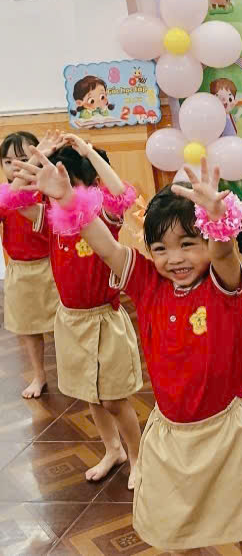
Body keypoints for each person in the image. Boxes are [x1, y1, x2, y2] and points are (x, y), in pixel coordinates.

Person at [15, 154, 242, 556]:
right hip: (170, 435)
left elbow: (225, 255)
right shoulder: (147, 283)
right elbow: (107, 247)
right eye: (161, 248)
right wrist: (68, 200)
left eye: (187, 244)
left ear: (207, 239)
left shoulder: (221, 284)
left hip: (226, 434)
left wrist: (218, 224)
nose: (174, 259)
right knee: (176, 533)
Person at [9, 135, 142, 489]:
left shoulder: (103, 218)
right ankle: (113, 450)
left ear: (91, 185)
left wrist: (89, 153)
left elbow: (123, 195)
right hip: (70, 321)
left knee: (113, 399)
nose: (63, 193)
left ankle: (138, 456)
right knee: (90, 393)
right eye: (57, 187)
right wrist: (40, 158)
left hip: (104, 320)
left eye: (71, 184)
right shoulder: (53, 220)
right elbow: (11, 200)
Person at [0, 130, 61, 398]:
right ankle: (39, 375)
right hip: (20, 271)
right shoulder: (5, 194)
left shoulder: (48, 191)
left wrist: (38, 162)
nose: (16, 166)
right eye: (8, 161)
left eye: (24, 159)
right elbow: (8, 201)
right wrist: (33, 161)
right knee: (28, 328)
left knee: (63, 327)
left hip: (53, 267)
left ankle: (71, 374)